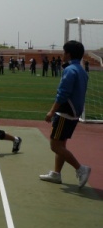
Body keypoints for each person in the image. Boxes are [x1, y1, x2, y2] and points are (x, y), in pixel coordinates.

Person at [40, 40, 90, 188]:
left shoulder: (70, 70)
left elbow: (62, 94)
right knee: (61, 144)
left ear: (68, 54)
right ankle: (56, 174)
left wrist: (51, 112)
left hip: (65, 113)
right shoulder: (82, 70)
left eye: (64, 52)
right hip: (74, 113)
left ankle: (80, 168)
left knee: (55, 145)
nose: (62, 54)